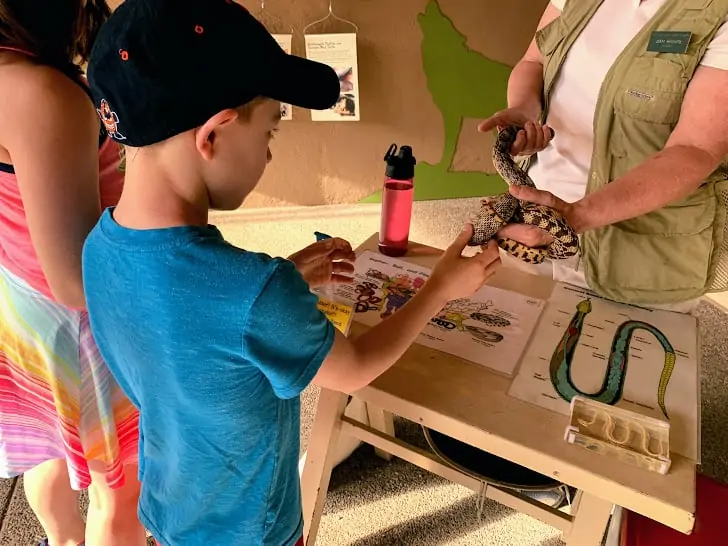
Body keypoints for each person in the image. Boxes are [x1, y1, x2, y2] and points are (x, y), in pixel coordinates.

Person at [81, 1, 502, 544]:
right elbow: (354, 370)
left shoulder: (99, 247)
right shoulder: (254, 293)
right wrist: (441, 286)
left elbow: (188, 330)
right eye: (270, 134)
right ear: (213, 136)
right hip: (256, 530)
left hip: (170, 510)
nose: (270, 156)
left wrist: (280, 276)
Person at [0, 1, 145, 546]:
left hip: (21, 298)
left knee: (50, 450)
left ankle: (62, 540)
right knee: (119, 488)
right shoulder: (46, 95)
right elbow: (75, 279)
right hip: (82, 321)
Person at [478, 0, 728, 312]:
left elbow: (695, 150)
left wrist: (575, 217)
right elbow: (535, 62)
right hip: (532, 224)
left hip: (642, 260)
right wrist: (523, 112)